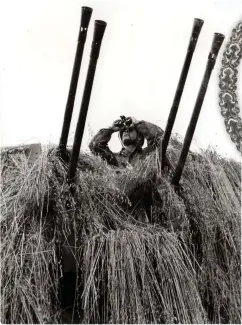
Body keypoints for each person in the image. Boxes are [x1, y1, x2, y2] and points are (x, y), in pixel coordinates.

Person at [89, 116, 171, 169]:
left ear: (139, 136)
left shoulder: (148, 154)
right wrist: (111, 129)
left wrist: (138, 124)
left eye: (130, 130)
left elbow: (159, 139)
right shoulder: (114, 158)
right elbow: (95, 146)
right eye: (123, 130)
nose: (125, 131)